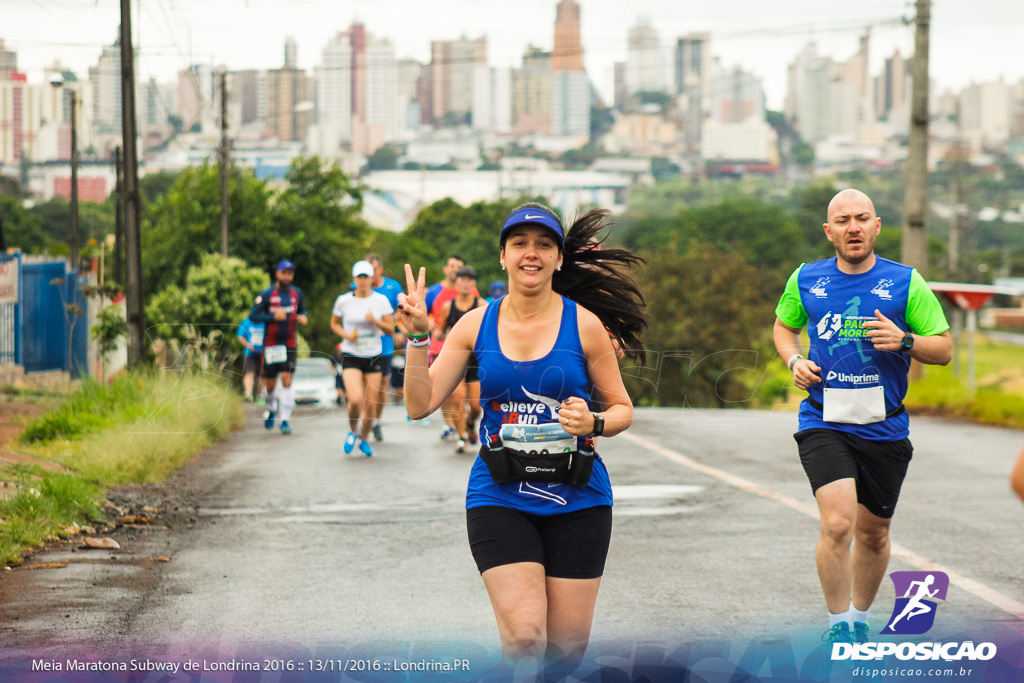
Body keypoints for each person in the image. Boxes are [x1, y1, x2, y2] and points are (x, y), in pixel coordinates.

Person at [397, 203, 648, 675]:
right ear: (503, 256)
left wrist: (593, 423)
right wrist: (415, 339)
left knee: (566, 652)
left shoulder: (585, 325)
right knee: (526, 638)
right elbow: (418, 404)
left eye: (543, 245)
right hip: (499, 496)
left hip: (579, 500)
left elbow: (622, 410)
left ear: (557, 259)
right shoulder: (474, 325)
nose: (531, 253)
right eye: (520, 244)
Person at [773, 188, 952, 646]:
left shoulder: (906, 282)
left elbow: (945, 349)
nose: (853, 227)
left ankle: (858, 616)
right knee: (837, 523)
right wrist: (795, 362)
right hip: (823, 419)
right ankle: (838, 629)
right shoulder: (807, 278)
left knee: (873, 535)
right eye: (843, 220)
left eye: (862, 218)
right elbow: (784, 327)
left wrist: (906, 340)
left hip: (885, 425)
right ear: (829, 232)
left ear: (876, 227)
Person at [332, 260, 395, 457]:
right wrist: (346, 335)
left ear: (371, 279)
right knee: (356, 399)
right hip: (351, 353)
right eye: (359, 277)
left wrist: (374, 320)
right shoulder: (343, 300)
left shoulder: (381, 300)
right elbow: (334, 323)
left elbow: (391, 329)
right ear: (354, 279)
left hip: (374, 355)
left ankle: (364, 439)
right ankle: (353, 431)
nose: (363, 281)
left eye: (366, 277)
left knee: (370, 404)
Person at [249, 260, 308, 435]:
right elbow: (253, 315)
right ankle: (272, 408)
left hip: (289, 343)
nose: (287, 276)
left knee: (287, 380)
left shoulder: (297, 293)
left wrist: (303, 317)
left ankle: (285, 420)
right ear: (278, 274)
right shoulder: (267, 294)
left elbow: (303, 311)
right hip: (271, 345)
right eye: (284, 273)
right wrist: (273, 316)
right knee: (270, 385)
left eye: (290, 273)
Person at [438, 266, 485, 453]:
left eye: (469, 280)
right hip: (455, 360)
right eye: (462, 279)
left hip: (475, 360)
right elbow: (440, 332)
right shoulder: (447, 307)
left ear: (474, 284)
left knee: (476, 406)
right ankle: (462, 437)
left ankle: (470, 422)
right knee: (457, 398)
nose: (465, 283)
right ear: (456, 282)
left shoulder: (481, 305)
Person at [364, 253, 405, 441]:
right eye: (365, 271)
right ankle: (366, 419)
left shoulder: (392, 286)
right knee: (366, 386)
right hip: (362, 344)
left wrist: (397, 330)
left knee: (381, 385)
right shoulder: (357, 287)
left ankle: (376, 421)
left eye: (372, 270)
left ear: (379, 269)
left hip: (385, 344)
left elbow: (402, 309)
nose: (369, 275)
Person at [236, 316, 265, 402]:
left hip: (262, 353)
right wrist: (249, 346)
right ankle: (248, 394)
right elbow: (240, 336)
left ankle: (261, 396)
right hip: (249, 353)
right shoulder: (246, 322)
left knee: (262, 375)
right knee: (249, 373)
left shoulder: (265, 321)